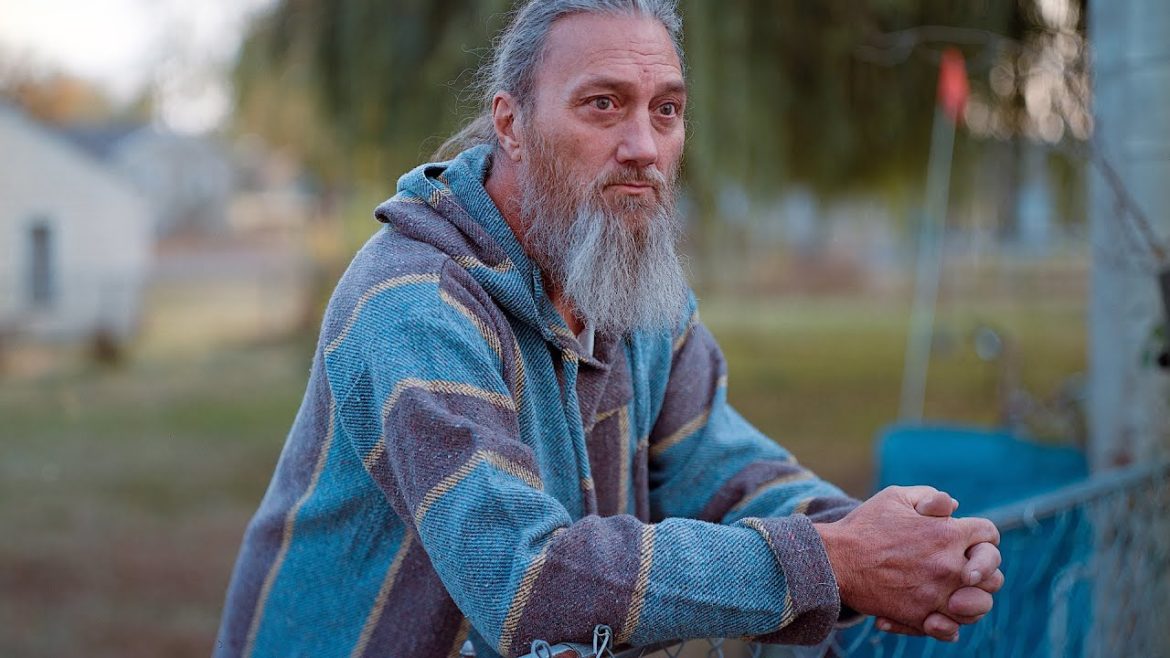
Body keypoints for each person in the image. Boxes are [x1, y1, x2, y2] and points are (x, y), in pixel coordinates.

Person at [214, 1, 1003, 656]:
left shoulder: (630, 288)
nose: (644, 148)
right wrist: (837, 562)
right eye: (604, 104)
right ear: (511, 124)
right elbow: (526, 581)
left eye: (667, 110)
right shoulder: (413, 304)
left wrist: (885, 543)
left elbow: (721, 472)